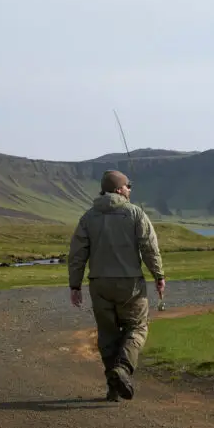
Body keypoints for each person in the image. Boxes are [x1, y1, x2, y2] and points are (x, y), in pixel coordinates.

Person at [67, 170, 165, 402]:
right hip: (129, 283)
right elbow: (149, 248)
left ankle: (113, 387)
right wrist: (159, 275)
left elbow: (77, 255)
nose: (130, 190)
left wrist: (75, 285)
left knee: (108, 336)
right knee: (137, 328)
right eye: (128, 186)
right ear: (120, 189)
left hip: (99, 284)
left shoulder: (88, 217)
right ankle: (122, 369)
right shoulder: (135, 213)